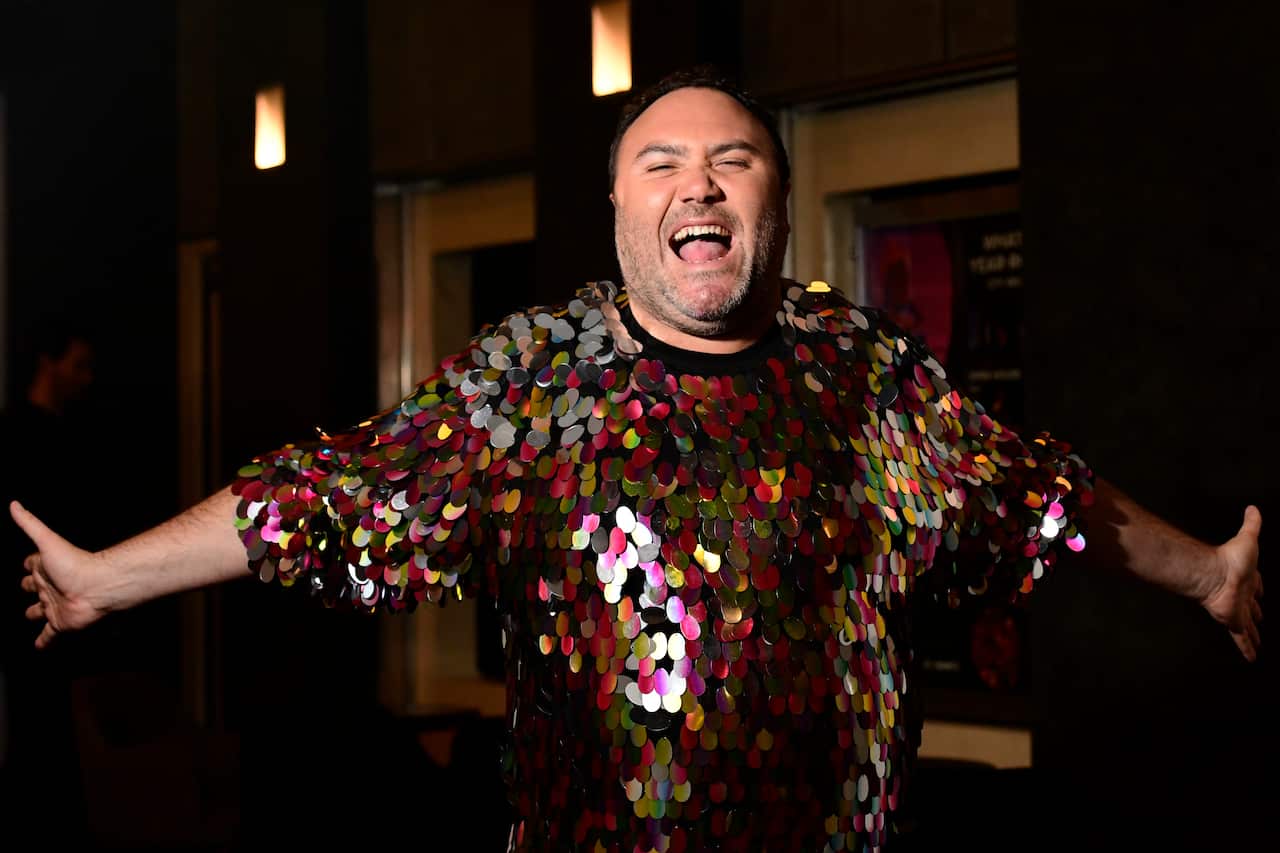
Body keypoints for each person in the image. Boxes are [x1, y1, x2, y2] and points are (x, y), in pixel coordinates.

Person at [10, 68, 1263, 852]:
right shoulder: (532, 379)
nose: (697, 181)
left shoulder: (866, 369)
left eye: (732, 158)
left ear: (771, 201)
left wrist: (1206, 572)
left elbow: (1047, 495)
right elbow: (331, 491)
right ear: (618, 212)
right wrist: (110, 578)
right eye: (659, 162)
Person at [0, 324, 95, 840]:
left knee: (67, 736)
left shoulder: (71, 436)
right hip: (26, 610)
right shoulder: (14, 433)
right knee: (38, 733)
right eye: (77, 364)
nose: (86, 379)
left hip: (76, 609)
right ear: (46, 361)